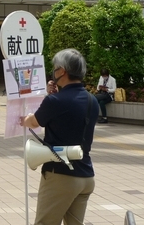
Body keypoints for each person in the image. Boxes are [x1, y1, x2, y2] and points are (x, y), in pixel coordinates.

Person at [19, 48, 99, 225]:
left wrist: (23, 119)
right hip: (86, 176)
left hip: (61, 175)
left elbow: (33, 122)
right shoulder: (92, 101)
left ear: (62, 71)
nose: (53, 71)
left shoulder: (55, 101)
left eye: (55, 67)